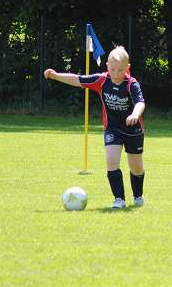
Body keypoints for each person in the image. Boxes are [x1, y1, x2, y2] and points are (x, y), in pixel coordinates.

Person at [44, 46, 146, 209]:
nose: (116, 74)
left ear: (127, 68)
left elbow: (140, 102)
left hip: (133, 129)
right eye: (112, 69)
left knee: (136, 166)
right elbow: (78, 79)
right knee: (111, 161)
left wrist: (134, 114)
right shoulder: (101, 80)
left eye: (120, 70)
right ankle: (119, 199)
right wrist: (56, 76)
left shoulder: (131, 84)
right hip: (112, 128)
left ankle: (138, 196)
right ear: (107, 66)